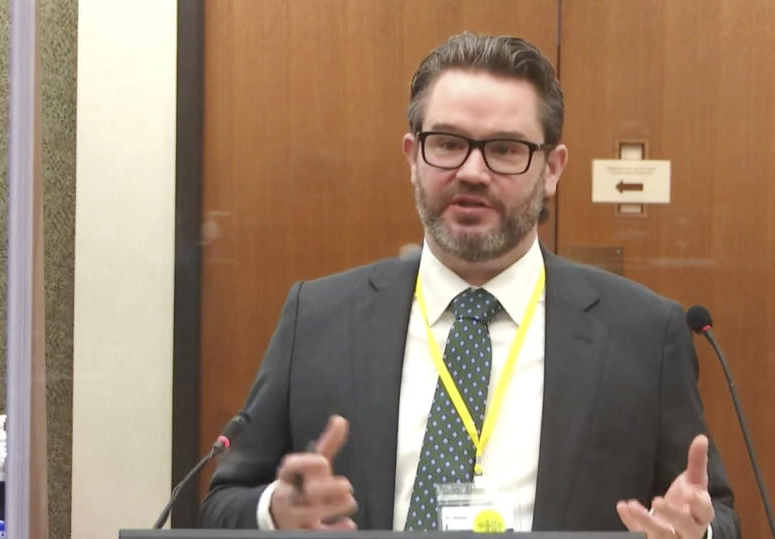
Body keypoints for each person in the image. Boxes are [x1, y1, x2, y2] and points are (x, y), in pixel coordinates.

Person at [200, 32, 740, 539]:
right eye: (449, 142)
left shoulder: (643, 334)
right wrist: (274, 510)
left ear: (552, 168)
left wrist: (697, 531)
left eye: (505, 149)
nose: (472, 172)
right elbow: (220, 503)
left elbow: (711, 511)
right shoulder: (316, 317)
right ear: (413, 156)